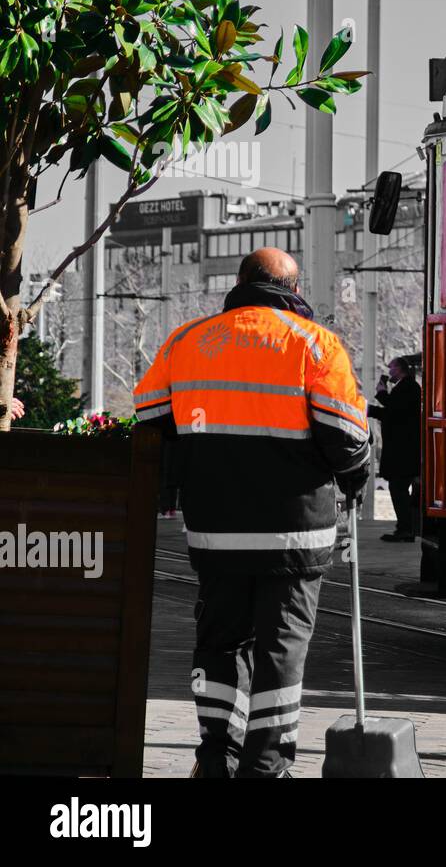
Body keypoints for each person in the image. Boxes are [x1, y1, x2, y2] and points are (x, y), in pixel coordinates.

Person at [133, 247, 370, 778]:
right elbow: (348, 436)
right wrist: (357, 479)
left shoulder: (188, 341)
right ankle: (266, 767)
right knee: (280, 649)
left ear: (240, 282)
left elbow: (149, 418)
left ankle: (216, 758)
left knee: (219, 644)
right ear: (294, 287)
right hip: (295, 535)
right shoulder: (315, 344)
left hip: (216, 531)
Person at [369, 356, 422, 543]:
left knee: (398, 487)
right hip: (404, 449)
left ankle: (406, 528)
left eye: (391, 368)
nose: (389, 372)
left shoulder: (408, 388)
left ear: (400, 369)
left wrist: (382, 393)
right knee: (398, 487)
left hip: (404, 451)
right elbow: (393, 412)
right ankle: (405, 527)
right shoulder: (407, 388)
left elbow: (394, 411)